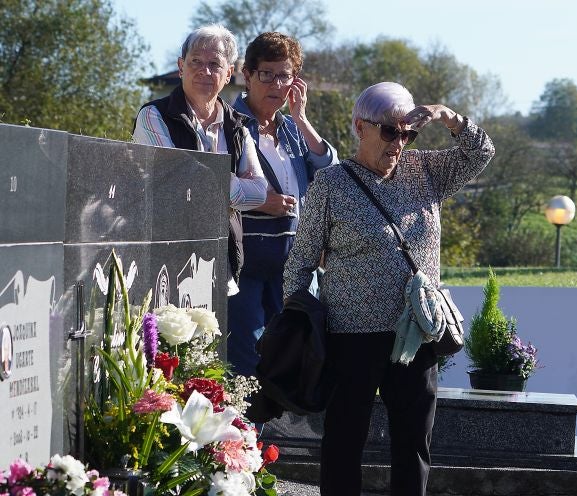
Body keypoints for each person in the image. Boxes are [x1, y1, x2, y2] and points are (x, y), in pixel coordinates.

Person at [283, 82, 495, 496]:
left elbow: (481, 152)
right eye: (389, 132)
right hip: (352, 336)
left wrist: (446, 115)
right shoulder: (331, 184)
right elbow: (300, 261)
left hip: (417, 332)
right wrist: (296, 327)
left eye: (407, 134)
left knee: (414, 441)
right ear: (360, 127)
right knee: (344, 440)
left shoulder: (425, 171)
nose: (398, 143)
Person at [228, 32, 339, 377]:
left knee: (291, 362)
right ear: (247, 75)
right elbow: (212, 186)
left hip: (293, 268)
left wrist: (302, 119)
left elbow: (330, 173)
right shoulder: (227, 124)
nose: (276, 84)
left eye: (285, 76)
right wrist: (261, 202)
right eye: (267, 74)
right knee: (246, 363)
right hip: (244, 265)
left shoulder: (292, 128)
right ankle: (243, 417)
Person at [132, 26, 266, 311]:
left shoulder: (238, 127)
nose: (205, 71)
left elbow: (259, 192)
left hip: (219, 261)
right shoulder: (154, 116)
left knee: (210, 340)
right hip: (164, 258)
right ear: (181, 67)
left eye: (215, 64)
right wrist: (230, 183)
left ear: (228, 73)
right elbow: (174, 180)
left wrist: (209, 181)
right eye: (196, 62)